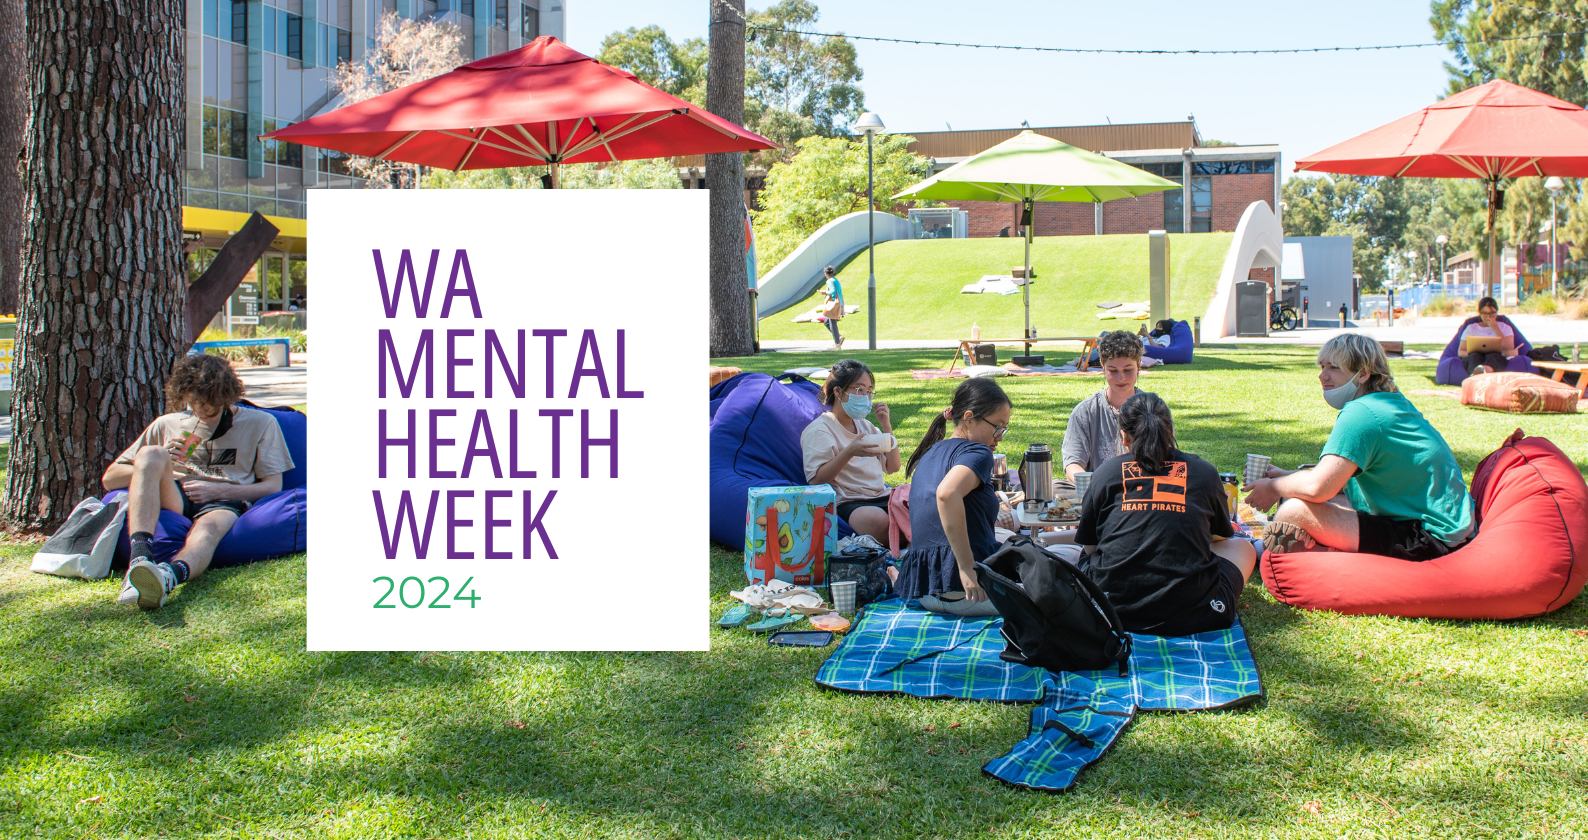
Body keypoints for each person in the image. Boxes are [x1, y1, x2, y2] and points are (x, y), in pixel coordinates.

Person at [1243, 333, 1473, 560]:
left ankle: (1327, 555)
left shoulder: (1361, 413)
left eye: (1333, 367)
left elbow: (1319, 487)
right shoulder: (1388, 402)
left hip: (1429, 538)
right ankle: (1299, 544)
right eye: (1321, 367)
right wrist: (1286, 477)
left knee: (1293, 510)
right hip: (1440, 526)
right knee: (1295, 497)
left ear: (1363, 373)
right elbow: (1338, 479)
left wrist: (1274, 486)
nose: (1323, 376)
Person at [104, 353, 296, 610]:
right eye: (196, 402)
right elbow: (109, 479)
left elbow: (273, 486)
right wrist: (163, 463)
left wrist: (219, 489)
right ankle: (139, 564)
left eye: (211, 404)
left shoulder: (260, 423)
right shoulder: (167, 424)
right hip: (175, 494)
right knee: (151, 453)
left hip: (224, 501)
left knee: (207, 531)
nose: (203, 410)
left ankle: (166, 578)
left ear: (228, 394)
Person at [1071, 392, 1256, 636]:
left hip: (1111, 612)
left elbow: (1092, 548)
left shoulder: (1106, 473)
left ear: (1124, 437)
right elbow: (1220, 537)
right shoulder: (1204, 472)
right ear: (1171, 431)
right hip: (1197, 615)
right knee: (1243, 547)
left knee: (1083, 554)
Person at [895, 378, 1013, 617]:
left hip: (926, 592)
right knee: (1064, 565)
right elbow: (947, 494)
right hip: (968, 593)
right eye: (997, 427)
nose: (1000, 437)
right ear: (969, 417)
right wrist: (967, 569)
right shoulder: (978, 452)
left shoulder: (930, 452)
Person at [800, 359, 901, 544]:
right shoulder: (820, 429)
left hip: (881, 495)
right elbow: (816, 479)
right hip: (850, 502)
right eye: (859, 390)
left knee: (922, 503)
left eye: (869, 391)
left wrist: (886, 426)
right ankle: (910, 543)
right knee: (876, 520)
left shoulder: (866, 426)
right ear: (838, 391)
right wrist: (850, 451)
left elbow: (893, 467)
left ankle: (909, 543)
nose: (865, 396)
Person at [1062, 331, 1144, 481]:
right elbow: (1072, 465)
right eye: (1113, 371)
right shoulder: (1085, 412)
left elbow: (1169, 460)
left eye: (1128, 370)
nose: (1121, 378)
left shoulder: (1154, 409)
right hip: (1098, 492)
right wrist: (1098, 487)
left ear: (1138, 364)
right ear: (1102, 365)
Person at [1456, 296, 1516, 376]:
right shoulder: (1471, 328)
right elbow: (1461, 351)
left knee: (1493, 356)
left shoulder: (1505, 327)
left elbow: (1509, 347)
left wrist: (1496, 328)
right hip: (1474, 357)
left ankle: (1482, 373)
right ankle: (1477, 372)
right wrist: (1476, 353)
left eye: (1492, 313)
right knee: (1474, 356)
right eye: (1485, 313)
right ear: (1480, 313)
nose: (1489, 317)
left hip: (1495, 357)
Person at [819, 265, 844, 348]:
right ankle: (839, 337)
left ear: (826, 273)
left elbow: (832, 292)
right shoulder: (835, 280)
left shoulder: (830, 281)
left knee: (832, 323)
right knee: (827, 322)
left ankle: (837, 343)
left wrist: (824, 292)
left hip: (833, 304)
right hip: (839, 303)